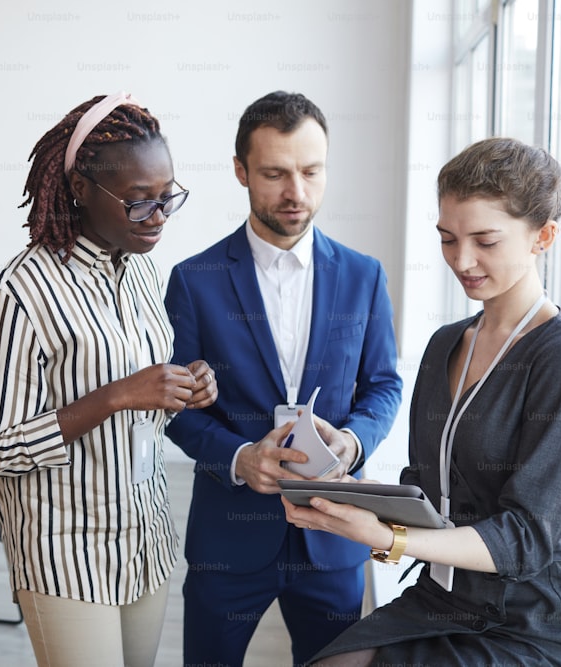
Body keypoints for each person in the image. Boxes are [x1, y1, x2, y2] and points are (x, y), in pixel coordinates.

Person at [283, 137, 561, 666]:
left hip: (535, 618)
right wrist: (344, 489)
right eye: (448, 239)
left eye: (485, 240)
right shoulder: (446, 344)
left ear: (542, 237)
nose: (463, 260)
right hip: (445, 598)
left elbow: (524, 537)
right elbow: (429, 490)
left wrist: (388, 537)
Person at [0, 92, 218, 667]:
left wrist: (184, 391)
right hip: (65, 553)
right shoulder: (16, 296)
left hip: (145, 537)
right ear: (80, 189)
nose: (157, 218)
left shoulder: (144, 275)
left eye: (167, 197)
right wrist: (114, 396)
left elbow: (148, 407)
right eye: (138, 203)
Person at [164, 91, 403, 666]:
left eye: (311, 171)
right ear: (241, 172)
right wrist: (241, 456)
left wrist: (354, 439)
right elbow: (174, 408)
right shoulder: (193, 280)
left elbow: (383, 386)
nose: (297, 193)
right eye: (275, 174)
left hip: (336, 537)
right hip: (229, 539)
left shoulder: (363, 276)